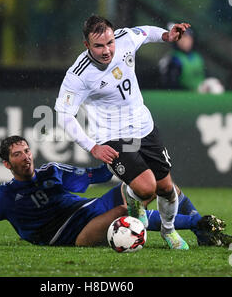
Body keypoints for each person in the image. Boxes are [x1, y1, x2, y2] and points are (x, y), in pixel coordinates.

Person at [0, 136, 232, 247]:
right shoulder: (2, 196)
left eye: (27, 151)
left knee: (153, 185)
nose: (26, 157)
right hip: (65, 235)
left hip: (86, 209)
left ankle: (201, 227)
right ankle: (194, 224)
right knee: (126, 213)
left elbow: (93, 175)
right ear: (6, 164)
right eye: (17, 155)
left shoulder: (52, 172)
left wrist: (119, 159)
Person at [54, 15, 193, 249]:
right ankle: (134, 198)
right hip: (112, 136)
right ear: (87, 45)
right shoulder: (78, 75)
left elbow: (146, 32)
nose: (106, 50)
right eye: (98, 46)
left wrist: (167, 36)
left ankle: (168, 232)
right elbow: (63, 115)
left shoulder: (125, 38)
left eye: (109, 43)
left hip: (143, 126)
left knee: (166, 189)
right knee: (146, 187)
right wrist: (93, 147)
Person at [158, 25, 225, 93]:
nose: (185, 41)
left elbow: (205, 75)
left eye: (188, 38)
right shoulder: (174, 59)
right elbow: (171, 85)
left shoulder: (198, 57)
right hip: (185, 94)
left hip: (200, 92)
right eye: (181, 38)